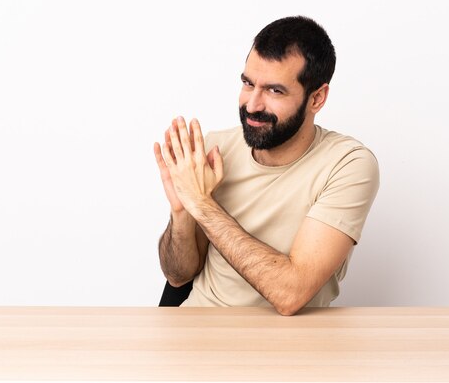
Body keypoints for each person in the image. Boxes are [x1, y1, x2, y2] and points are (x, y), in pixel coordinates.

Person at [153, 16, 379, 316]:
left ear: (317, 98)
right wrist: (182, 211)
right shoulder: (214, 150)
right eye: (248, 84)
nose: (252, 105)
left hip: (284, 351)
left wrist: (201, 203)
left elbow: (290, 294)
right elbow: (177, 275)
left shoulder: (348, 165)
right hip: (194, 334)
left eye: (275, 91)